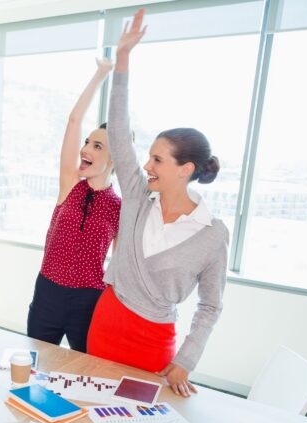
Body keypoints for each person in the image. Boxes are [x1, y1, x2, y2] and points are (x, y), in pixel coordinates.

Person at [87, 9, 229, 397]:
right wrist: (123, 61)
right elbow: (118, 131)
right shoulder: (137, 196)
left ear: (185, 169)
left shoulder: (212, 234)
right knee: (93, 416)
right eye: (147, 157)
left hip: (153, 341)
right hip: (106, 323)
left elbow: (210, 306)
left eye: (157, 160)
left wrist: (187, 359)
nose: (146, 165)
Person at [26, 58, 120, 353]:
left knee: (83, 372)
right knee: (35, 365)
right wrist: (101, 73)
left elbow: (118, 267)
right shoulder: (70, 182)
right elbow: (74, 120)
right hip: (48, 293)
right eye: (88, 142)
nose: (86, 149)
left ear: (114, 160)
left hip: (89, 300)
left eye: (97, 146)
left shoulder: (119, 207)